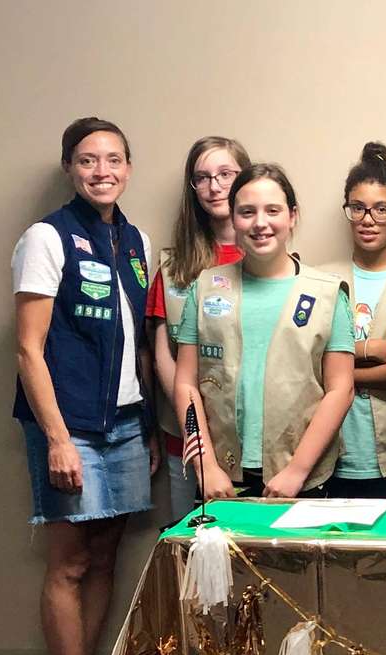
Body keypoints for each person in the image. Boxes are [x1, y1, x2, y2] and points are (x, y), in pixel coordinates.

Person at [13, 117, 157, 655]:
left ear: (128, 168)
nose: (103, 172)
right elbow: (28, 349)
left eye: (114, 160)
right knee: (70, 562)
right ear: (71, 168)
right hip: (70, 424)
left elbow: (144, 345)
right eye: (88, 161)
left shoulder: (137, 240)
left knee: (105, 557)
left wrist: (149, 426)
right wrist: (56, 438)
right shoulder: (47, 237)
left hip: (126, 422)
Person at [173, 164, 355, 499]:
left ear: (292, 216)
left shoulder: (327, 293)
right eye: (247, 212)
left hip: (303, 477)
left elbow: (341, 389)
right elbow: (186, 383)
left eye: (273, 210)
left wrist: (297, 471)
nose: (260, 223)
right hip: (222, 479)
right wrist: (205, 466)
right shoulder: (206, 287)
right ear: (233, 217)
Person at [146, 136, 250, 521]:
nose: (215, 186)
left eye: (226, 174)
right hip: (187, 441)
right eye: (202, 177)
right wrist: (197, 432)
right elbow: (163, 358)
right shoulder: (174, 268)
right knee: (194, 555)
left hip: (253, 440)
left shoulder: (273, 259)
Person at [320, 142, 386, 499]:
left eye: (381, 209)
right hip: (328, 454)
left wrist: (340, 376)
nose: (367, 219)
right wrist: (376, 350)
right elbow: (304, 365)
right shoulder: (319, 282)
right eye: (357, 208)